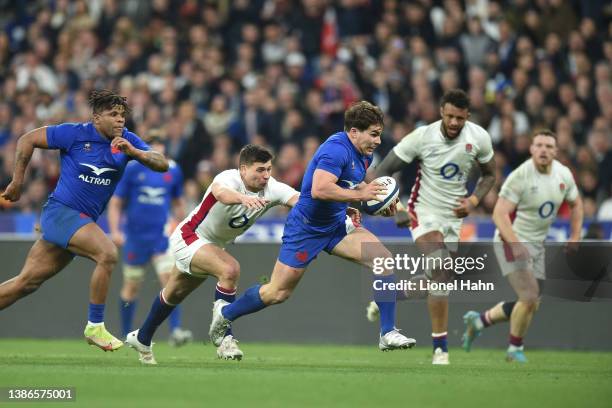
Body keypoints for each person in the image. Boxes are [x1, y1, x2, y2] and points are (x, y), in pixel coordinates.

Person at [208, 101, 416, 355]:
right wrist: (358, 197)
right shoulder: (336, 150)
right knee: (277, 292)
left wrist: (364, 204)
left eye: (379, 134)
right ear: (354, 132)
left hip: (336, 225)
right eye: (373, 133)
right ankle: (225, 314)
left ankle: (387, 332)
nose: (378, 140)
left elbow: (350, 185)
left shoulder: (364, 153)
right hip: (306, 228)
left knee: (384, 261)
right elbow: (319, 189)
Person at [0, 89, 168, 351]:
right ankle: (95, 326)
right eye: (113, 114)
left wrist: (136, 152)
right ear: (96, 118)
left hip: (79, 221)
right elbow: (26, 139)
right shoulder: (73, 133)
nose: (120, 120)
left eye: (122, 115)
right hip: (61, 213)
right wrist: (18, 181)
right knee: (108, 253)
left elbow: (162, 164)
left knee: (26, 283)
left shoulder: (127, 141)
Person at [125, 144, 300, 364]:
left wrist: (338, 214)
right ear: (244, 169)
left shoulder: (272, 188)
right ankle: (225, 339)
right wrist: (242, 198)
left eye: (268, 169)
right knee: (230, 269)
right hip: (189, 237)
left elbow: (301, 202)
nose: (266, 176)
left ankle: (142, 337)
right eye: (260, 170)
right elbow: (221, 193)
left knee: (174, 293)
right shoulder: (229, 178)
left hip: (212, 245)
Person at [365, 89, 496, 364]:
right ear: (441, 113)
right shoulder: (422, 137)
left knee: (440, 279)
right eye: (449, 116)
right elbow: (382, 172)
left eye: (459, 118)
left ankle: (389, 296)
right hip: (422, 212)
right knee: (441, 268)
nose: (453, 123)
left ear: (467, 116)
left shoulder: (479, 138)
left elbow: (490, 175)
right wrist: (397, 207)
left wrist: (473, 200)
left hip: (453, 218)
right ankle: (441, 348)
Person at [462, 129, 583, 362]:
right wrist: (516, 244)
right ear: (531, 149)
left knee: (531, 303)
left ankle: (479, 321)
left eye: (549, 146)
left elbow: (576, 204)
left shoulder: (563, 175)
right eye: (539, 145)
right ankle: (514, 349)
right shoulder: (521, 176)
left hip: (536, 245)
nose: (543, 150)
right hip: (511, 240)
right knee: (529, 296)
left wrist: (575, 235)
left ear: (556, 152)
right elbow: (499, 214)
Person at [107, 131, 193, 346]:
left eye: (160, 145)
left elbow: (178, 202)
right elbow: (116, 202)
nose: (158, 149)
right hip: (135, 237)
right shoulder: (133, 169)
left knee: (170, 282)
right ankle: (127, 335)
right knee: (131, 287)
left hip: (161, 237)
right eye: (153, 145)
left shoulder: (173, 170)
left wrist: (181, 225)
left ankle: (176, 331)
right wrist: (115, 230)